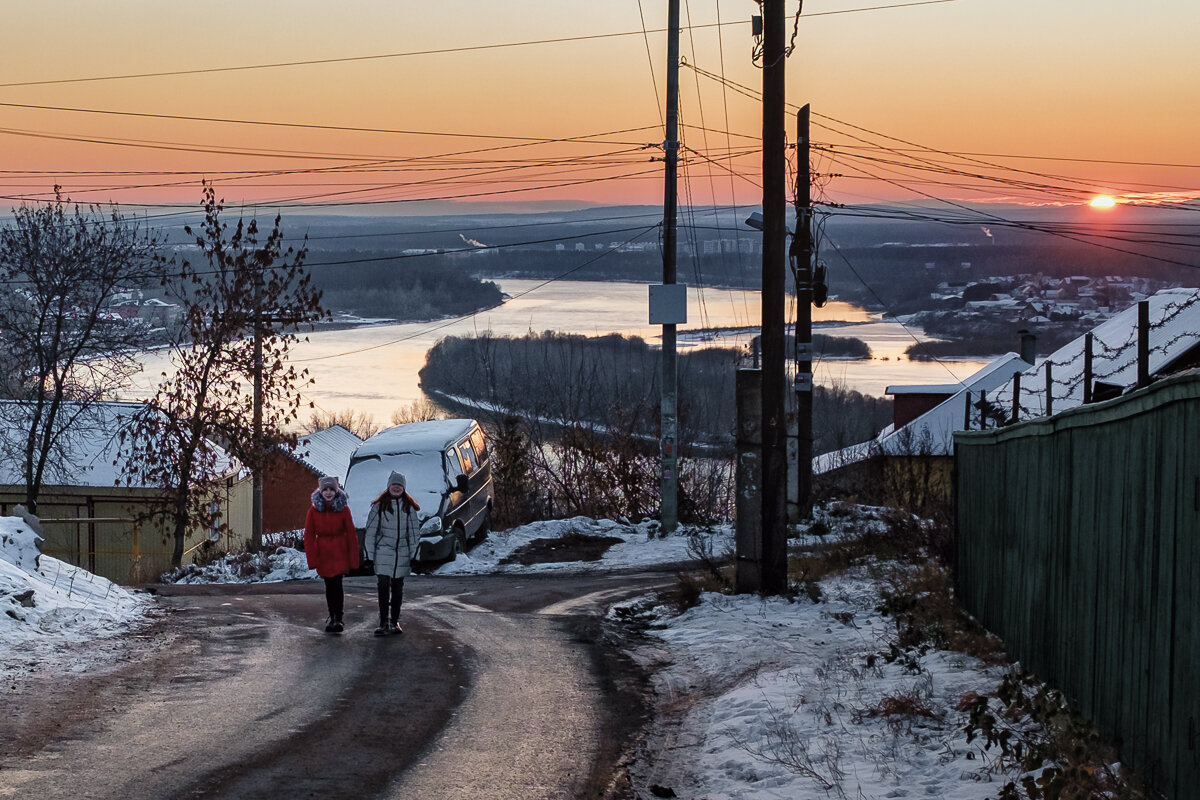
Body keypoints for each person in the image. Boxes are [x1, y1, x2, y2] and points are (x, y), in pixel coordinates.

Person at [365, 470, 421, 636]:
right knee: (383, 587)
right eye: (394, 485)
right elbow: (371, 533)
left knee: (397, 589)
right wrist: (369, 555)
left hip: (402, 553)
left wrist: (415, 556)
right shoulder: (379, 507)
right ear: (388, 487)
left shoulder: (409, 508)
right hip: (383, 552)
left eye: (399, 485)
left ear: (403, 488)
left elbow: (414, 534)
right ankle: (383, 622)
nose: (396, 488)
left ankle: (395, 620)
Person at [303, 476, 358, 633]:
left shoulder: (343, 509)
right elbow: (308, 536)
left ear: (336, 491)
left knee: (337, 586)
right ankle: (332, 617)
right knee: (329, 586)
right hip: (324, 554)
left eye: (331, 489)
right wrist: (312, 559)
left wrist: (353, 560)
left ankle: (338, 618)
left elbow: (352, 535)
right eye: (325, 489)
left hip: (340, 552)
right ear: (320, 491)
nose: (328, 493)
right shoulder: (313, 511)